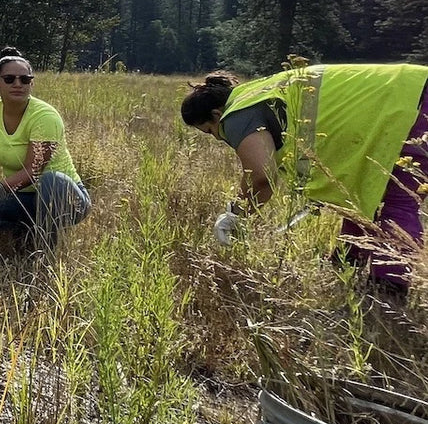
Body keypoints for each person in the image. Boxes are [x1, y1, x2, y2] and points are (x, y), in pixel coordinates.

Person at [180, 63, 428, 291]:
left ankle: (388, 289)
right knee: (358, 195)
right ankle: (346, 262)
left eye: (210, 131)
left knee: (400, 202)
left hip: (407, 108)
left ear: (216, 113)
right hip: (406, 94)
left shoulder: (236, 115)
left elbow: (261, 178)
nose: (218, 137)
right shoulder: (257, 92)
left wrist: (236, 214)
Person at [0, 48, 89, 246]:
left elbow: (33, 171)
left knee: (51, 181)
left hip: (64, 197)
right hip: (23, 195)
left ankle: (45, 247)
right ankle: (25, 227)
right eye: (9, 79)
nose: (18, 84)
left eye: (25, 79)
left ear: (31, 83)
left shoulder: (45, 117)